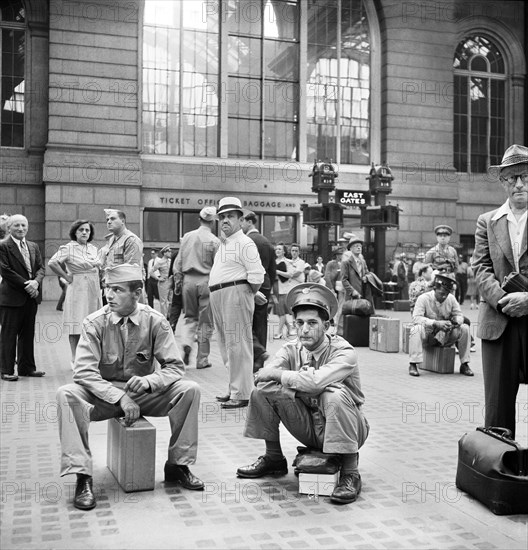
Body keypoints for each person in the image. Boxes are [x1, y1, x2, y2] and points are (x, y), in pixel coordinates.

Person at [55, 263, 204, 511]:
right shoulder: (94, 323)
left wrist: (150, 381)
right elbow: (83, 372)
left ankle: (178, 465)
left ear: (136, 293)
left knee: (189, 390)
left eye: (117, 290)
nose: (108, 295)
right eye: (107, 288)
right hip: (102, 396)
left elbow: (175, 367)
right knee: (67, 395)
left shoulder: (155, 321)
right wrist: (118, 397)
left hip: (142, 394)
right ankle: (82, 476)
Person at [236, 283, 369, 505]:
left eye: (312, 323)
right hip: (308, 424)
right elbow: (263, 379)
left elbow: (315, 380)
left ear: (326, 325)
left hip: (349, 428)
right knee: (260, 393)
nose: (304, 329)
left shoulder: (344, 351)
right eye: (299, 323)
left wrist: (284, 377)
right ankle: (274, 458)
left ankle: (350, 472)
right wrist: (301, 392)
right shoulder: (291, 349)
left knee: (333, 396)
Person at [472, 144, 528, 438]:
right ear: (503, 181)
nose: (519, 183)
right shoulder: (487, 221)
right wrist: (505, 300)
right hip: (499, 322)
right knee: (497, 408)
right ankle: (501, 473)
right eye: (512, 177)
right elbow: (480, 268)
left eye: (525, 176)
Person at [209, 197, 265, 409]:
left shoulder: (244, 242)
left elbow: (257, 275)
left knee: (238, 344)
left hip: (234, 294)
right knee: (226, 346)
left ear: (240, 219)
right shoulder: (225, 243)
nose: (225, 220)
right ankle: (235, 387)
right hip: (221, 294)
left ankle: (242, 392)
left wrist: (247, 293)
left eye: (230, 216)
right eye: (222, 216)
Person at [48, 220, 102, 362]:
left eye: (87, 230)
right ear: (75, 232)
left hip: (93, 288)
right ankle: (75, 357)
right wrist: (66, 276)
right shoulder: (68, 248)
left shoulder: (93, 248)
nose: (84, 232)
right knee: (76, 323)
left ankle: (90, 355)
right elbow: (52, 262)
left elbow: (98, 266)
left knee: (93, 323)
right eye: (81, 230)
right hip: (78, 288)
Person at [0, 215, 46, 381]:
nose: (21, 228)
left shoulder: (33, 246)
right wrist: (28, 285)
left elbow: (41, 268)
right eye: (17, 225)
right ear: (9, 228)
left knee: (27, 335)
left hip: (30, 299)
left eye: (24, 225)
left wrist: (36, 282)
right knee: (8, 335)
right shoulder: (3, 246)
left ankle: (27, 368)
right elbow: (5, 270)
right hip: (11, 299)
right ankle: (5, 370)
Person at [173, 207, 220, 369]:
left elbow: (178, 262)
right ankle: (202, 359)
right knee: (205, 322)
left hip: (188, 281)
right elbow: (218, 267)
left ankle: (186, 343)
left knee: (189, 318)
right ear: (213, 222)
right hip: (207, 281)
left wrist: (178, 283)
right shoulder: (214, 241)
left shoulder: (187, 237)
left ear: (199, 219)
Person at [408, 273, 473, 377]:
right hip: (428, 335)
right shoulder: (423, 298)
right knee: (416, 329)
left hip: (446, 335)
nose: (444, 296)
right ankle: (413, 364)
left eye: (446, 294)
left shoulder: (451, 299)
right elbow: (416, 318)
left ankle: (464, 364)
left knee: (465, 328)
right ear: (434, 289)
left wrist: (454, 321)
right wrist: (435, 323)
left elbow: (460, 316)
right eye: (441, 293)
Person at [241, 210, 277, 371]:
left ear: (249, 222)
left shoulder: (245, 241)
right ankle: (259, 357)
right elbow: (273, 269)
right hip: (265, 284)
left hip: (249, 285)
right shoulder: (266, 242)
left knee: (245, 320)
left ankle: (254, 352)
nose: (240, 225)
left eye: (242, 222)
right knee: (261, 322)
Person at [341, 234, 374, 312]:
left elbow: (367, 273)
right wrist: (352, 291)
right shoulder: (346, 262)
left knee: (363, 313)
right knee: (351, 313)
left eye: (360, 246)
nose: (359, 247)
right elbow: (344, 280)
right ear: (351, 249)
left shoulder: (363, 262)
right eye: (356, 246)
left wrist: (366, 277)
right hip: (351, 295)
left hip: (363, 292)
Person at [273, 243, 295, 339]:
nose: (277, 251)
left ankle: (279, 332)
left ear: (284, 251)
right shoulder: (273, 261)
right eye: (276, 249)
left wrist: (277, 272)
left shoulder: (287, 262)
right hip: (274, 290)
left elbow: (290, 274)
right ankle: (289, 327)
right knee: (278, 311)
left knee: (281, 312)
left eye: (280, 249)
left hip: (283, 289)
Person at [153, 245, 173, 318]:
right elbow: (151, 271)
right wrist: (158, 278)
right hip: (163, 282)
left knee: (172, 300)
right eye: (169, 251)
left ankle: (169, 315)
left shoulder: (170, 261)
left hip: (170, 281)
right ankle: (164, 317)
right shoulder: (160, 262)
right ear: (164, 253)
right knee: (163, 301)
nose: (170, 253)